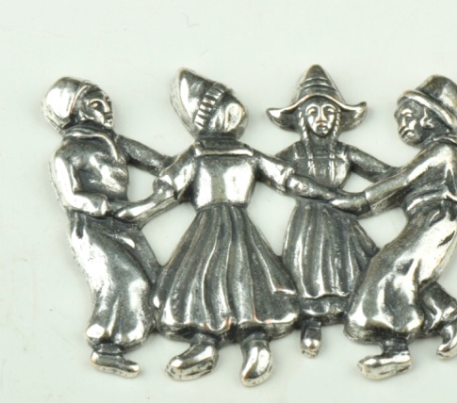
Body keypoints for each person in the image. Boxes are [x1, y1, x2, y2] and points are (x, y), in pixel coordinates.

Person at [117, 69, 337, 386]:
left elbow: (288, 179)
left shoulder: (245, 152)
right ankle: (206, 344)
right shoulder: (197, 154)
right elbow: (168, 193)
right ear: (209, 116)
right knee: (206, 280)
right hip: (214, 226)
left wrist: (329, 194)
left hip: (232, 226)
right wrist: (139, 212)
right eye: (226, 105)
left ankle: (255, 344)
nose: (236, 112)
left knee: (244, 280)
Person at [332, 75, 457, 380]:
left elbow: (403, 180)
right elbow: (397, 176)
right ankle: (452, 318)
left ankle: (397, 349)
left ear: (430, 117)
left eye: (408, 115)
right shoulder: (433, 152)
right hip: (429, 217)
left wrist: (358, 201)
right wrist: (356, 162)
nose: (402, 124)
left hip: (438, 217)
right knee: (412, 273)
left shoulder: (443, 149)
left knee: (392, 266)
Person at [44, 77, 172, 377]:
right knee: (127, 281)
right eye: (95, 103)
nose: (106, 108)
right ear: (73, 111)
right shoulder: (68, 153)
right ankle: (106, 347)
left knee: (155, 279)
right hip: (92, 227)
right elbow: (71, 197)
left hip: (125, 226)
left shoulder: (117, 143)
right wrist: (110, 207)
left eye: (106, 101)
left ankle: (151, 328)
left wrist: (190, 165)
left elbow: (161, 163)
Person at [267, 65, 396, 357]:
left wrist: (414, 175)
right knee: (306, 266)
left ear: (338, 117)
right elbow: (266, 171)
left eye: (328, 111)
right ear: (301, 118)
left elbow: (384, 173)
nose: (321, 119)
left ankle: (360, 314)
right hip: (308, 220)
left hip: (343, 216)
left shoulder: (344, 152)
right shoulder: (294, 153)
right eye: (313, 112)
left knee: (354, 265)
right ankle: (310, 322)